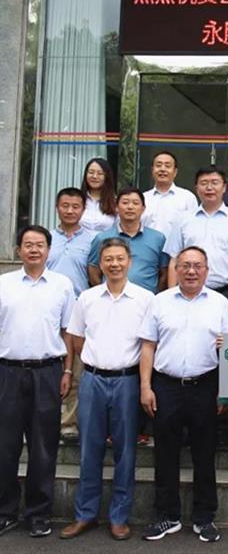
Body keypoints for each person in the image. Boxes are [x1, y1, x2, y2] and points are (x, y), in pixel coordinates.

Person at [138, 246, 228, 542]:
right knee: (165, 452)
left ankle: (204, 517)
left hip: (205, 385)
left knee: (204, 453)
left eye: (197, 266)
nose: (191, 271)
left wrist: (226, 390)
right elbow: (148, 346)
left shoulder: (219, 303)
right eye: (185, 266)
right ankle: (166, 516)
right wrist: (145, 386)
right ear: (176, 269)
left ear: (207, 270)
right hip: (166, 385)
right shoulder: (160, 301)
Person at [60, 238, 154, 542]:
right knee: (90, 448)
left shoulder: (145, 299)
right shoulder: (87, 298)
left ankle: (119, 517)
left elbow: (149, 343)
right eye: (108, 259)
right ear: (100, 264)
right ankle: (85, 514)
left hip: (127, 380)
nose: (114, 264)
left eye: (120, 258)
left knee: (126, 451)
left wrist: (143, 384)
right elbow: (76, 339)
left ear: (130, 261)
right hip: (93, 380)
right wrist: (85, 366)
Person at [164, 166, 228, 449]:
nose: (209, 187)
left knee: (223, 359)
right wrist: (171, 295)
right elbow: (173, 260)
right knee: (189, 353)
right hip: (185, 294)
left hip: (223, 293)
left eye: (215, 182)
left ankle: (221, 425)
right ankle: (185, 427)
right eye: (204, 183)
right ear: (196, 187)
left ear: (224, 187)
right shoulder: (183, 220)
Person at [0, 225, 75, 538]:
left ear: (48, 249)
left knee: (44, 447)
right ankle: (5, 511)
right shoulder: (3, 284)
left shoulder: (62, 285)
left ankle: (38, 513)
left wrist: (68, 371)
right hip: (8, 372)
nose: (34, 249)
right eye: (28, 244)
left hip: (48, 372)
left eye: (40, 244)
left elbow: (68, 332)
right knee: (5, 445)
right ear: (19, 250)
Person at [47, 187, 95, 444]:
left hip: (78, 310)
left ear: (83, 210)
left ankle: (69, 423)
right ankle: (45, 418)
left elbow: (95, 275)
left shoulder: (92, 240)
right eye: (65, 205)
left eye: (76, 206)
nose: (70, 210)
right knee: (48, 367)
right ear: (57, 207)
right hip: (48, 309)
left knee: (75, 368)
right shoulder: (46, 239)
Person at [88, 187, 169, 294]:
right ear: (117, 207)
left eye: (135, 203)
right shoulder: (102, 238)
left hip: (146, 300)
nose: (130, 207)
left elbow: (164, 272)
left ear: (143, 208)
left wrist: (154, 295)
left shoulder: (158, 238)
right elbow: (93, 270)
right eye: (125, 203)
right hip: (111, 299)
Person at [142, 151, 198, 238]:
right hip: (147, 246)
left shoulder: (187, 198)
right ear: (152, 170)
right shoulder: (143, 198)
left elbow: (193, 228)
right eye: (158, 165)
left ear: (175, 172)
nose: (162, 169)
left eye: (167, 166)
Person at [79, 158, 117, 235]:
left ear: (107, 176)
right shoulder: (78, 200)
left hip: (106, 242)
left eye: (100, 173)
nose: (95, 176)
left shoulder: (115, 202)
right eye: (91, 172)